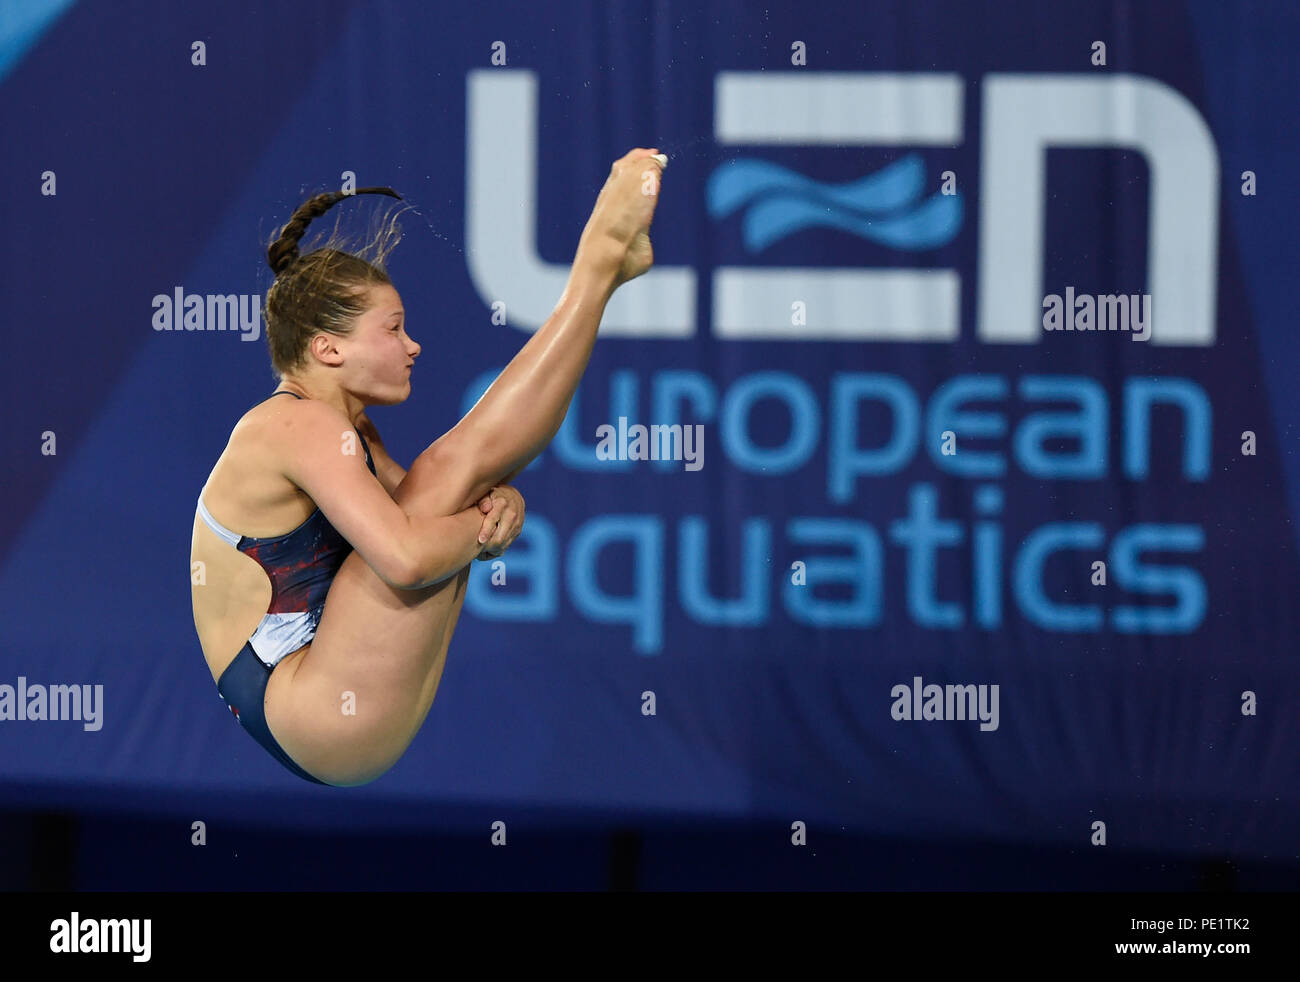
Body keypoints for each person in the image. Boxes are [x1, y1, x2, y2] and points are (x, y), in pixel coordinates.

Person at [191, 148, 668, 786]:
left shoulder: (345, 429)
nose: (413, 345)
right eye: (393, 329)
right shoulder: (292, 425)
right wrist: (482, 524)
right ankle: (597, 268)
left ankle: (600, 275)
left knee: (447, 479)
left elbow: (443, 512)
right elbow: (410, 557)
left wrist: (501, 511)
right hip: (309, 707)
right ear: (327, 348)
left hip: (326, 711)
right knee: (447, 472)